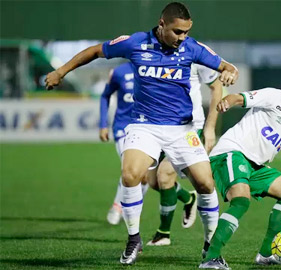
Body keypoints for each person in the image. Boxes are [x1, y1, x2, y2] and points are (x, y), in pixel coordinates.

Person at [45, 2, 239, 265]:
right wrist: (60, 72)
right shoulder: (135, 43)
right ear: (162, 25)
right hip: (143, 125)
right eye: (177, 32)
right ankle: (134, 240)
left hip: (182, 129)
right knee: (130, 174)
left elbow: (227, 67)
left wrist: (229, 72)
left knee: (205, 183)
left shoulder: (191, 47)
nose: (182, 38)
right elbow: (95, 51)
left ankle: (211, 250)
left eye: (186, 32)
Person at [199, 71, 281, 270]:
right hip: (231, 152)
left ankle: (265, 255)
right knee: (241, 200)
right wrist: (227, 101)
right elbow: (239, 97)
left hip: (255, 167)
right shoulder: (274, 97)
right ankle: (210, 259)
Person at [144, 63, 224, 246]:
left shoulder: (196, 55)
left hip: (187, 128)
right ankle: (189, 199)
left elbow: (217, 86)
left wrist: (210, 127)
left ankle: (163, 233)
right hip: (157, 126)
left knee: (165, 175)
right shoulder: (154, 53)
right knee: (152, 181)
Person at [98, 62, 149, 225]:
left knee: (145, 176)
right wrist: (103, 124)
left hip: (147, 128)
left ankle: (128, 206)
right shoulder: (119, 72)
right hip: (123, 128)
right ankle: (118, 206)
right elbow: (105, 95)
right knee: (130, 169)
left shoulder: (153, 68)